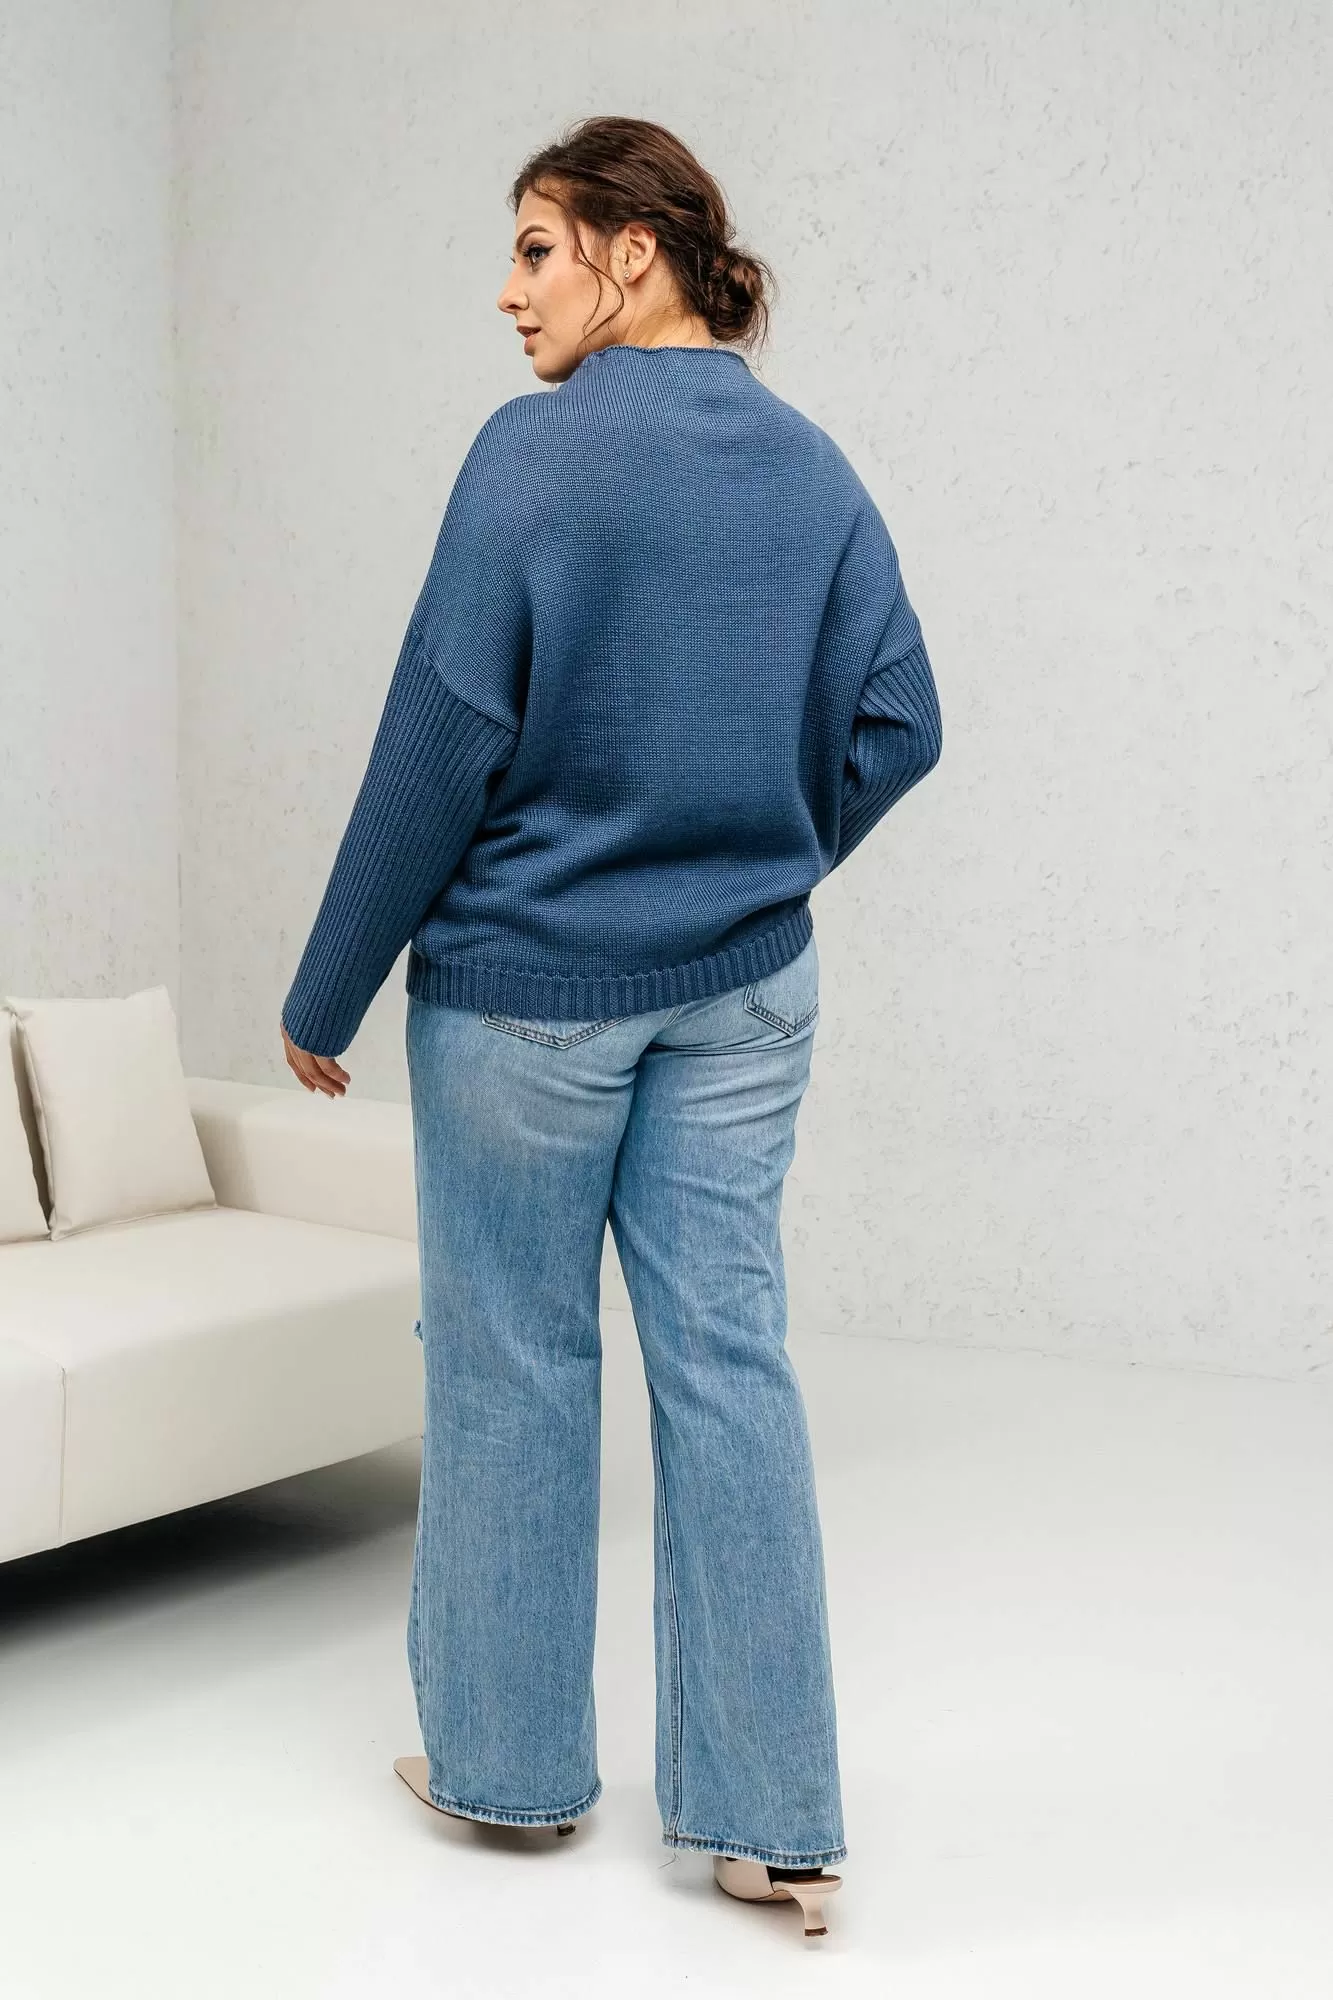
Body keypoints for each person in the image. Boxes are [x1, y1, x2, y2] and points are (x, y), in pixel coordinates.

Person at [279, 114, 942, 1941]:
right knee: (731, 1365)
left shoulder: (535, 459)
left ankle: (506, 1774)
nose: (509, 296)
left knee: (512, 1363)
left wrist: (329, 984)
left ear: (631, 253)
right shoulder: (812, 468)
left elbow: (440, 738)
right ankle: (772, 1826)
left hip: (530, 999)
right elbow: (903, 718)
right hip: (746, 992)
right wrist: (764, 856)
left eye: (535, 251)